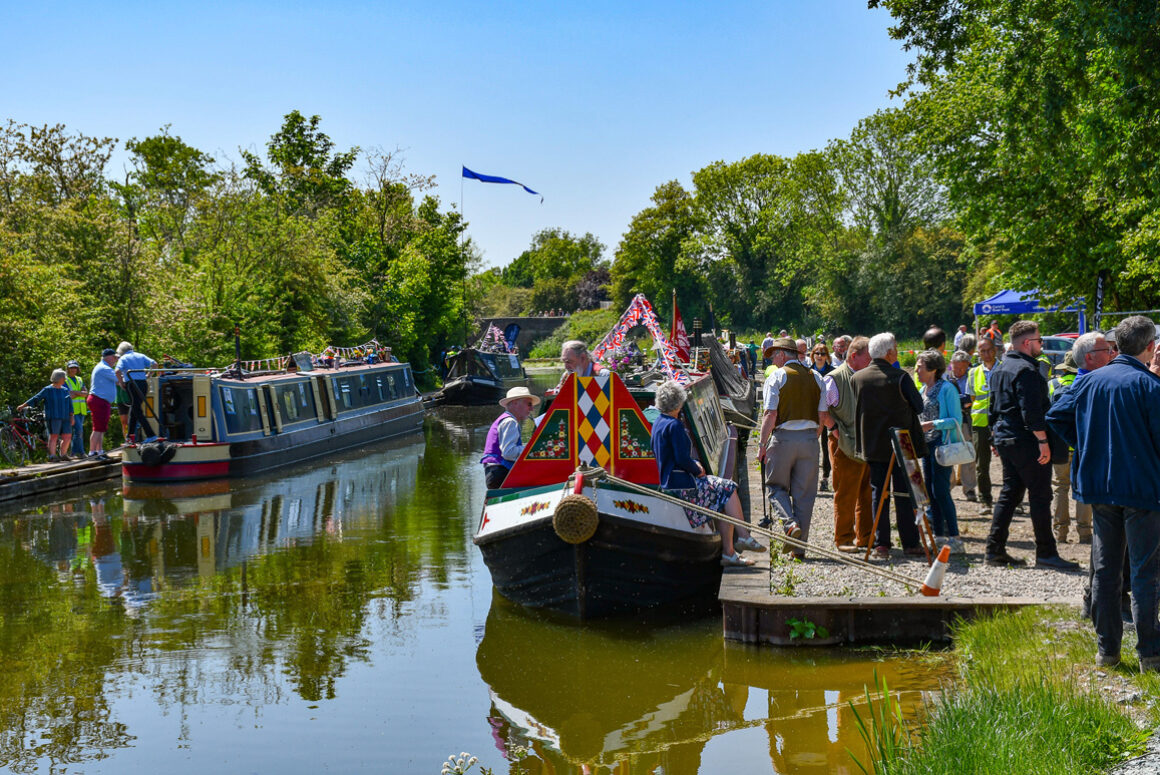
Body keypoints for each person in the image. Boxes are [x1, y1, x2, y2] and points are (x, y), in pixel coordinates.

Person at [1046, 316, 1160, 670]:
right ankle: (1150, 654)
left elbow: (1057, 415)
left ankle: (1107, 650)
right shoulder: (1150, 386)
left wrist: (1087, 445)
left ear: (1116, 346)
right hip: (1141, 489)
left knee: (1107, 569)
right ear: (1150, 347)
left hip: (1101, 486)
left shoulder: (1090, 381)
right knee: (1143, 573)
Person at [984, 320, 1078, 570]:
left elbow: (992, 407)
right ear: (1027, 343)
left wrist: (995, 437)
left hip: (1006, 437)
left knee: (1010, 493)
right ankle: (1046, 552)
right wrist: (1043, 441)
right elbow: (1031, 411)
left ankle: (994, 549)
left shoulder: (1001, 368)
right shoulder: (1027, 370)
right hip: (1026, 440)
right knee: (1040, 495)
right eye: (1039, 341)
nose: (1041, 345)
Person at [652, 380, 763, 567]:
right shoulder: (674, 425)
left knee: (722, 500)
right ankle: (744, 536)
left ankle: (729, 554)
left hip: (669, 480)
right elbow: (681, 458)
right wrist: (697, 469)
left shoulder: (658, 422)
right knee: (728, 488)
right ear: (678, 403)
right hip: (682, 484)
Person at [852, 332, 927, 559]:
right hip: (902, 443)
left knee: (878, 493)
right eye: (894, 348)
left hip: (873, 444)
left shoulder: (858, 378)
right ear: (889, 353)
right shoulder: (901, 377)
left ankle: (881, 544)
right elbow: (919, 406)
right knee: (905, 493)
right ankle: (910, 542)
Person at [758, 337, 829, 559]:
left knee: (775, 486)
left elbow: (771, 414)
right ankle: (799, 550)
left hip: (783, 439)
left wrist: (762, 444)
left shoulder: (777, 377)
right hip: (810, 440)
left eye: (773, 356)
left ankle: (789, 524)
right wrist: (813, 437)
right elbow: (822, 415)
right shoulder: (817, 377)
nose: (773, 360)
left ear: (781, 354)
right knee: (805, 495)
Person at [823, 336, 873, 551]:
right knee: (845, 493)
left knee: (867, 493)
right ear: (854, 356)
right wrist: (834, 429)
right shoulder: (834, 379)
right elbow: (821, 410)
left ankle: (866, 537)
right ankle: (843, 538)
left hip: (866, 442)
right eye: (869, 358)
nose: (872, 362)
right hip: (843, 444)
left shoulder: (867, 377)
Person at [915, 350, 965, 553]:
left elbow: (956, 420)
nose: (916, 370)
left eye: (920, 366)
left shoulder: (947, 389)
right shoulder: (922, 390)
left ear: (933, 369)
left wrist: (932, 424)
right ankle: (939, 536)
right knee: (930, 491)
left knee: (941, 491)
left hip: (941, 445)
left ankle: (955, 537)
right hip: (927, 447)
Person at [480, 387, 540, 489]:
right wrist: (532, 449)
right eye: (529, 404)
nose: (532, 409)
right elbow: (509, 452)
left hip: (495, 473)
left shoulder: (506, 420)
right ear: (515, 403)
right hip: (500, 473)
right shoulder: (510, 422)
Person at [968, 336, 999, 513]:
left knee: (1010, 463)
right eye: (982, 351)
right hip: (980, 423)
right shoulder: (973, 372)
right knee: (982, 464)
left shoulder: (1004, 368)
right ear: (978, 353)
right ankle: (985, 500)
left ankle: (1015, 502)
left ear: (995, 350)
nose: (986, 354)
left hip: (1001, 422)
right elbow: (973, 398)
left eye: (989, 350)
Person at [18, 369, 74, 462]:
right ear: (59, 378)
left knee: (67, 436)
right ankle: (52, 456)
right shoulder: (48, 390)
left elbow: (69, 404)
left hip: (65, 417)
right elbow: (36, 398)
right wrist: (23, 405)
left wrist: (72, 416)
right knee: (54, 436)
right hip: (53, 417)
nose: (65, 379)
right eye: (64, 377)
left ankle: (63, 454)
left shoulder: (65, 390)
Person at [949, 351, 977, 501]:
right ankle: (948, 486)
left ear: (967, 366)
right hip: (950, 421)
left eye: (962, 368)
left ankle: (969, 488)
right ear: (951, 364)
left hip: (966, 419)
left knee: (968, 453)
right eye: (956, 367)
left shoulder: (972, 377)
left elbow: (974, 398)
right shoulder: (945, 378)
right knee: (948, 453)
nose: (958, 371)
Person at [115, 342, 157, 442]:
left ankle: (150, 434)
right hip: (143, 384)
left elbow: (117, 371)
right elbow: (155, 364)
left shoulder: (123, 358)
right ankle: (130, 437)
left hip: (132, 384)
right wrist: (149, 375)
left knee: (137, 410)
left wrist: (121, 383)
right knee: (135, 409)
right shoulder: (141, 355)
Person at [809, 343, 835, 492]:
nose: (819, 356)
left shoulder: (833, 372)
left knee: (826, 446)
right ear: (813, 355)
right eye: (817, 353)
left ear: (827, 356)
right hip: (812, 413)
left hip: (828, 414)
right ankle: (809, 477)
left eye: (823, 353)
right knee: (810, 445)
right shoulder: (808, 372)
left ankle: (825, 477)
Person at [87, 348, 118, 459]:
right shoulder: (104, 368)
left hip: (101, 400)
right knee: (97, 428)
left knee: (101, 428)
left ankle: (99, 451)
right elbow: (119, 379)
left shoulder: (104, 367)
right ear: (108, 357)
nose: (116, 360)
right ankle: (92, 453)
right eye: (114, 357)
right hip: (99, 400)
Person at [64, 360, 88, 458]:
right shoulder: (65, 380)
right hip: (72, 410)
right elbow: (69, 395)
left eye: (75, 367)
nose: (73, 369)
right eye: (71, 368)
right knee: (79, 430)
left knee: (77, 432)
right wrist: (80, 393)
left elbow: (85, 394)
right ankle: (81, 452)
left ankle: (73, 453)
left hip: (82, 410)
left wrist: (75, 392)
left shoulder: (79, 379)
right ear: (68, 369)